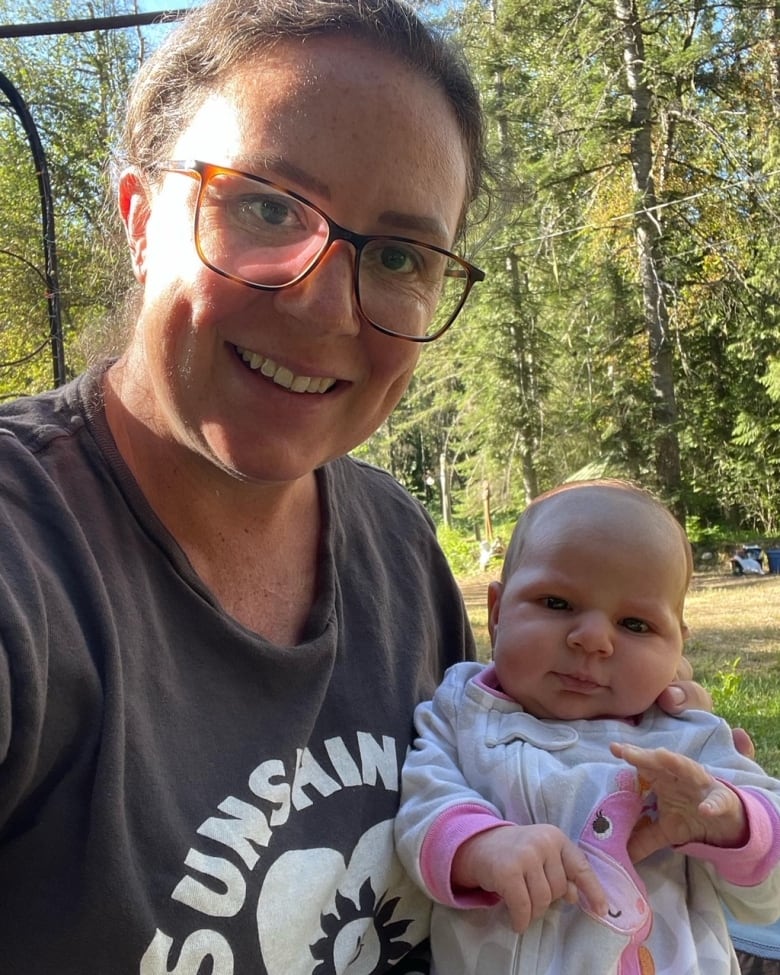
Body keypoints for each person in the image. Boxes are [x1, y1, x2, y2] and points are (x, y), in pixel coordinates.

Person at [0, 0, 727, 970]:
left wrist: (644, 763)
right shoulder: (27, 556)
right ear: (140, 219)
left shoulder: (394, 545)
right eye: (265, 205)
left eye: (396, 256)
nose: (322, 304)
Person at [396, 479, 780, 974]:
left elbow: (767, 897)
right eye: (557, 603)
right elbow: (422, 802)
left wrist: (734, 823)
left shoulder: (689, 741)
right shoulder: (460, 711)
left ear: (677, 649)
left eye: (636, 625)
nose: (594, 639)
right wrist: (479, 845)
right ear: (496, 614)